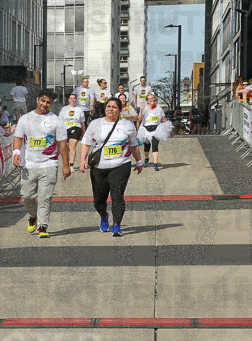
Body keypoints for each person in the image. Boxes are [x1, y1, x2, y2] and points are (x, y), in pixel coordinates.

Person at [80, 97, 142, 236]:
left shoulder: (127, 125)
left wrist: (139, 161)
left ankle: (116, 225)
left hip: (120, 165)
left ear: (119, 110)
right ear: (105, 108)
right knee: (98, 200)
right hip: (98, 167)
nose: (111, 109)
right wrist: (82, 160)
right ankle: (103, 216)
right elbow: (86, 143)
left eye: (114, 107)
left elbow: (133, 145)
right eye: (109, 106)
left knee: (117, 196)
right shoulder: (96, 124)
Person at [13, 90, 70, 237]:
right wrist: (16, 153)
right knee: (26, 196)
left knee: (45, 197)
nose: (45, 104)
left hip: (49, 164)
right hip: (29, 165)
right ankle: (33, 216)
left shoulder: (56, 121)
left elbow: (63, 145)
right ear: (37, 100)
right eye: (43, 101)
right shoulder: (25, 119)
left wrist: (66, 165)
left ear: (51, 104)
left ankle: (42, 227)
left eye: (48, 102)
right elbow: (18, 138)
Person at [138, 94, 170, 170]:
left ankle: (155, 163)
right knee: (147, 147)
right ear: (147, 100)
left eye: (153, 98)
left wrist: (169, 128)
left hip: (156, 129)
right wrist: (141, 110)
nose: (152, 100)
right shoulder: (145, 109)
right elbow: (139, 119)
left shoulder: (159, 109)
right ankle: (146, 159)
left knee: (155, 146)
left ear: (155, 99)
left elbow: (164, 119)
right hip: (146, 130)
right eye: (150, 99)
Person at [58, 92, 87, 171]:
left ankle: (71, 165)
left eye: (74, 98)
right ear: (68, 99)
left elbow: (82, 122)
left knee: (72, 146)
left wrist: (83, 133)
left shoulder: (79, 110)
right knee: (66, 148)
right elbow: (59, 121)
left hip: (76, 128)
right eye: (71, 98)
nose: (72, 100)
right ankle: (66, 164)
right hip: (65, 129)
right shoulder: (64, 109)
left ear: (76, 100)